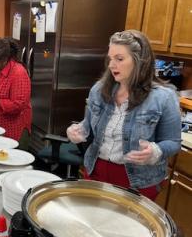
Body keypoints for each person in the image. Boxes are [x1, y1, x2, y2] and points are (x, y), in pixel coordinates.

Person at [66, 30, 182, 200]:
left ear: (140, 61)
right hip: (96, 171)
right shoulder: (99, 90)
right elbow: (87, 126)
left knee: (126, 226)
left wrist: (155, 151)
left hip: (138, 181)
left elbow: (173, 142)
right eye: (110, 59)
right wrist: (76, 131)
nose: (112, 65)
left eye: (119, 59)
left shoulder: (163, 97)